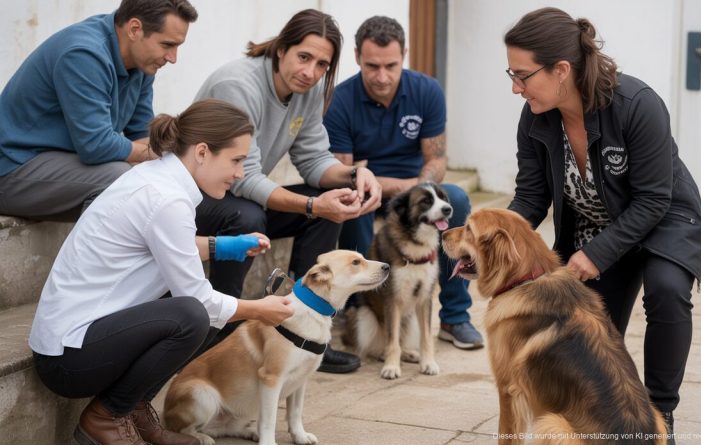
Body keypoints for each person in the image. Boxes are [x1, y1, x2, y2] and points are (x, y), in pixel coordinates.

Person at [28, 99, 295, 445]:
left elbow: (173, 246)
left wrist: (226, 245)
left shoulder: (158, 180)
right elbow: (199, 299)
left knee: (191, 306)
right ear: (202, 152)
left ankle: (134, 409)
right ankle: (107, 416)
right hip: (69, 358)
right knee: (192, 314)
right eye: (237, 160)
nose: (240, 173)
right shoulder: (166, 197)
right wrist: (258, 310)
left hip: (80, 339)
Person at [503, 7, 701, 442]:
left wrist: (594, 255)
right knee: (579, 327)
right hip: (595, 226)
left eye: (522, 75)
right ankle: (597, 418)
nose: (516, 88)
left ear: (562, 69)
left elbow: (654, 198)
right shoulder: (535, 117)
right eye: (511, 74)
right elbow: (531, 197)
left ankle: (660, 416)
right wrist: (490, 233)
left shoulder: (637, 104)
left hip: (665, 220)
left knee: (668, 291)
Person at [193, 9, 382, 373]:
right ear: (281, 50)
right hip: (199, 199)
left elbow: (313, 159)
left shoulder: (307, 90)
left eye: (322, 64)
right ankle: (216, 338)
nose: (311, 72)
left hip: (239, 196)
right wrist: (312, 204)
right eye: (304, 57)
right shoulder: (238, 84)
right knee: (250, 215)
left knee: (329, 204)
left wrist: (356, 174)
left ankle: (306, 336)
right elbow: (244, 177)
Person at [324, 16, 483, 350]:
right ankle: (357, 306)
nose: (382, 76)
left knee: (456, 198)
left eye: (391, 65)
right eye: (372, 66)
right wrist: (384, 186)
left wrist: (415, 190)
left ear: (405, 55)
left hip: (416, 192)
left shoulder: (426, 90)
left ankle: (454, 317)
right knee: (352, 203)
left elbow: (437, 159)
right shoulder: (340, 99)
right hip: (366, 188)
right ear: (356, 57)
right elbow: (343, 170)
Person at [0, 0, 197, 221]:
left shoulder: (142, 63)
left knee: (161, 179)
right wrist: (159, 153)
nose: (173, 58)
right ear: (134, 29)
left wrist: (162, 157)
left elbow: (143, 134)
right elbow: (96, 146)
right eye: (167, 45)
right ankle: (92, 255)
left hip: (61, 165)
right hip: (13, 169)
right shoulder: (83, 54)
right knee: (120, 179)